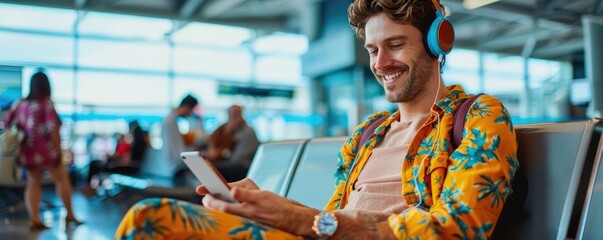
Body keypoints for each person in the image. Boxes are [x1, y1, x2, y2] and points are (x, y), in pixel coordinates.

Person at [115, 0, 519, 239]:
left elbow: (457, 229)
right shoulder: (368, 132)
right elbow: (330, 219)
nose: (380, 64)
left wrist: (300, 218)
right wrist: (268, 205)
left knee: (151, 220)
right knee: (160, 220)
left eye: (395, 45)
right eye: (373, 49)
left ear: (437, 42)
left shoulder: (479, 116)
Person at [3, 72, 81, 230]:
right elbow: (53, 129)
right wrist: (59, 151)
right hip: (47, 151)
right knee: (62, 179)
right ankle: (70, 215)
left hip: (28, 151)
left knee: (33, 183)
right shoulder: (46, 104)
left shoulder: (20, 103)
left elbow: (6, 122)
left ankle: (35, 218)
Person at [206, 105, 260, 182]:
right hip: (233, 164)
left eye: (237, 115)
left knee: (213, 169)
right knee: (209, 167)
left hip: (244, 168)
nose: (236, 119)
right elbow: (211, 144)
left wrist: (222, 153)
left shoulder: (248, 132)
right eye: (233, 115)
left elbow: (237, 160)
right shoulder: (225, 129)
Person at [161, 95, 199, 183]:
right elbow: (177, 152)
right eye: (191, 110)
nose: (190, 114)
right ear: (187, 107)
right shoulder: (170, 122)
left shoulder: (170, 120)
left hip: (172, 166)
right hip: (175, 169)